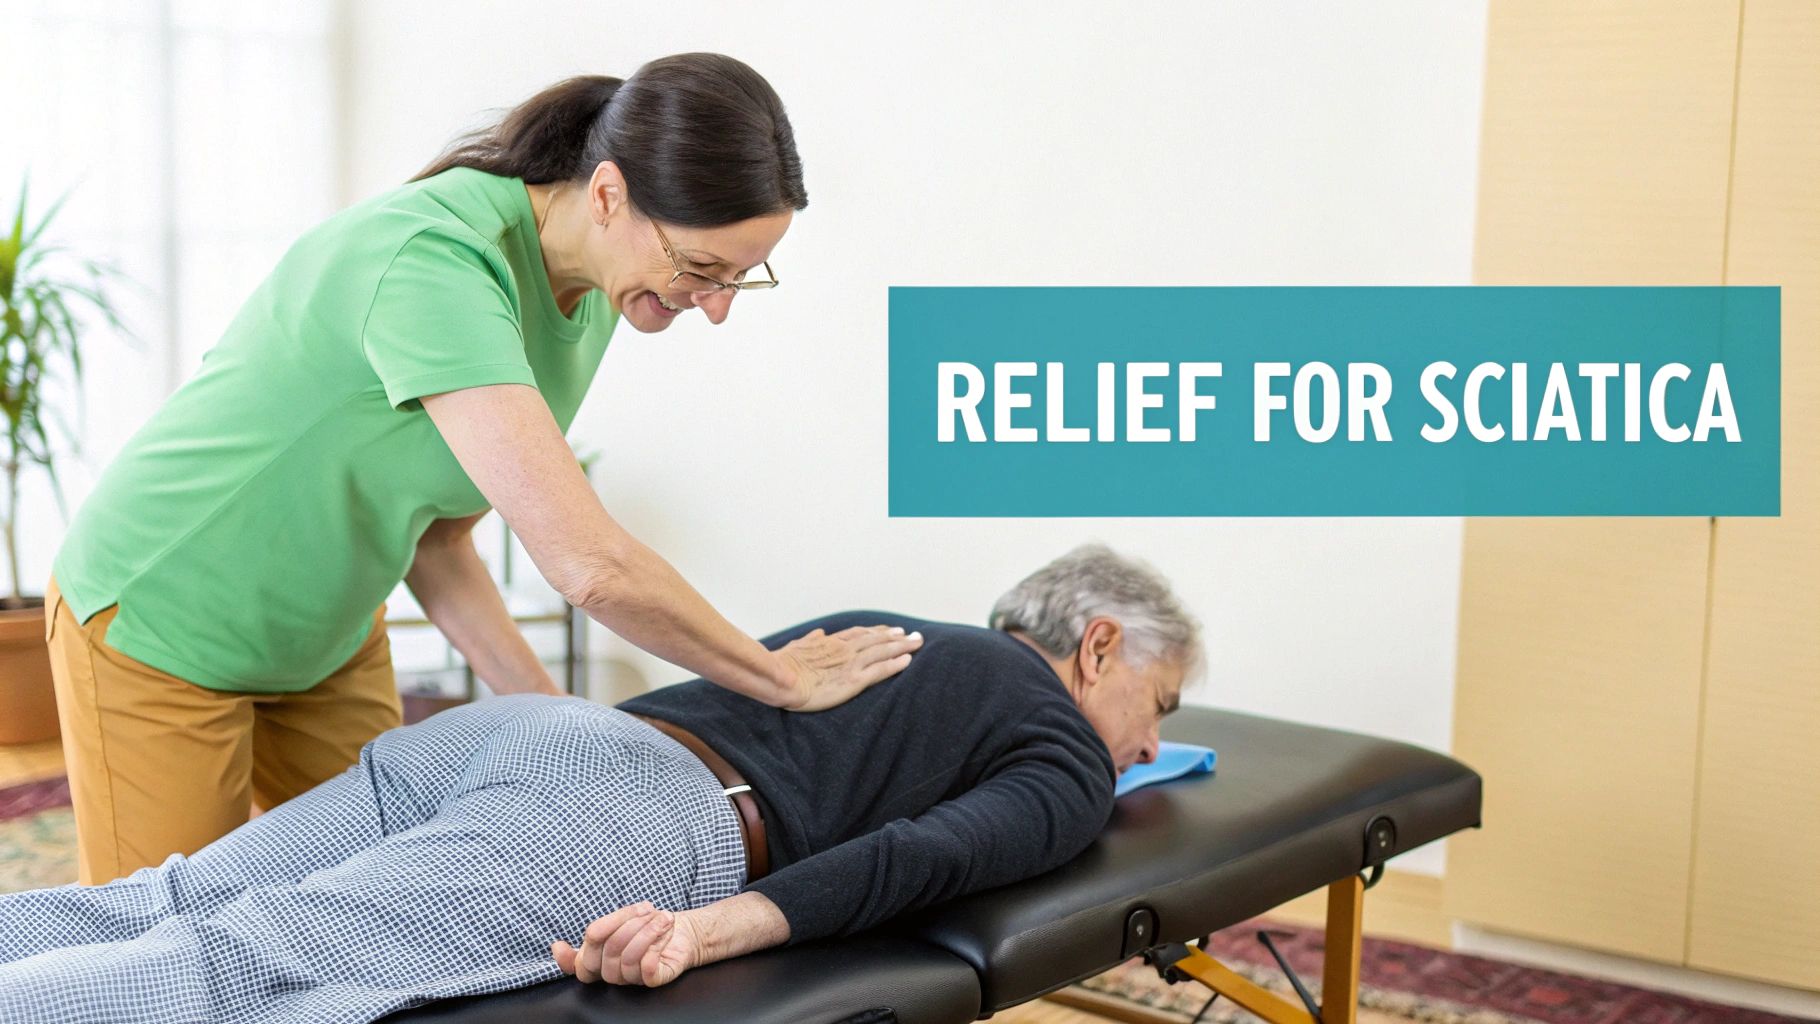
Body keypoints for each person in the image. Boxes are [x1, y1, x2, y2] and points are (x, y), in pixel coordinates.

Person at [43, 52, 917, 888]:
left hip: (324, 639)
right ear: (609, 193)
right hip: (164, 620)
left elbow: (439, 536)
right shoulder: (434, 261)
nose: (716, 306)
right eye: (701, 268)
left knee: (372, 908)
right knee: (156, 944)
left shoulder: (596, 290)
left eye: (742, 277)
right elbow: (590, 564)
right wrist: (779, 677)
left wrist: (559, 730)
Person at [0, 545, 1201, 1024]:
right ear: (1096, 645)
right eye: (1156, 707)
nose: (1144, 748)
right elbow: (918, 861)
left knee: (160, 900)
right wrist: (700, 926)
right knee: (238, 965)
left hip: (518, 736)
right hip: (636, 816)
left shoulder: (892, 631)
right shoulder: (1059, 753)